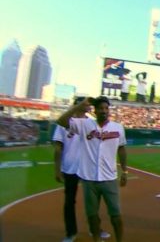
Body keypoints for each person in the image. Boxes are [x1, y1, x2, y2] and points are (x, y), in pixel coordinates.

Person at [57, 96, 128, 242]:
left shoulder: (117, 127)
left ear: (109, 110)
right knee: (92, 215)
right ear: (94, 111)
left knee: (116, 214)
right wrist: (79, 106)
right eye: (100, 108)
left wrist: (125, 171)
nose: (103, 111)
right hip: (89, 179)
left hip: (109, 178)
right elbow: (61, 121)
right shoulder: (84, 125)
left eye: (106, 108)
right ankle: (96, 239)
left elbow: (122, 149)